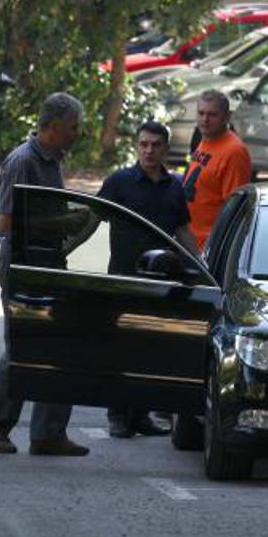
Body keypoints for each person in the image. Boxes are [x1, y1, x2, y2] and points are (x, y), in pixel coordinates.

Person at [0, 92, 91, 457]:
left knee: (58, 347)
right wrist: (61, 221)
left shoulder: (53, 159)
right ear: (53, 127)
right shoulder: (22, 161)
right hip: (24, 263)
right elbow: (5, 221)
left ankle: (48, 433)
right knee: (22, 346)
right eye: (73, 127)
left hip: (49, 261)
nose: (78, 133)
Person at [96, 121, 197, 438]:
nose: (149, 150)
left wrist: (200, 267)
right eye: (143, 144)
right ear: (136, 146)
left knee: (148, 350)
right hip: (123, 280)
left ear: (166, 148)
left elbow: (182, 232)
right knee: (120, 349)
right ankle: (117, 416)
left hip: (157, 283)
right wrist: (62, 250)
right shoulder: (119, 182)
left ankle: (140, 415)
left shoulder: (174, 188)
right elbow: (91, 218)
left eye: (155, 145)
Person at [184, 89, 252, 249]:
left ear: (226, 117)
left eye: (212, 115)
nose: (205, 120)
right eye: (201, 113)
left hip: (209, 248)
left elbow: (234, 209)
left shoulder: (234, 152)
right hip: (188, 242)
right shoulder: (205, 139)